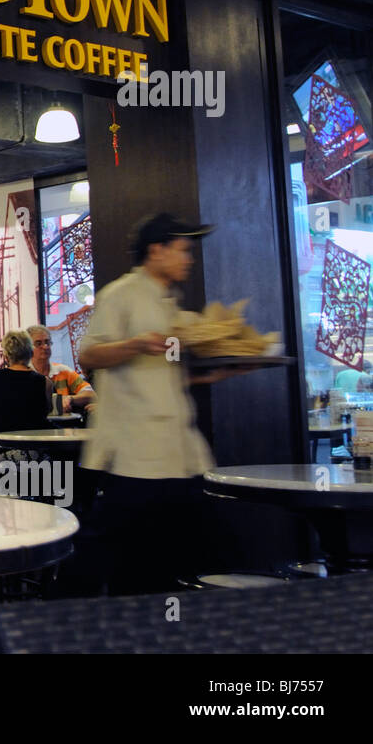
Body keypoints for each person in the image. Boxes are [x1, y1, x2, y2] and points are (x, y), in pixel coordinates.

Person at [70, 213, 245, 595]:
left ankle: (159, 628)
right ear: (156, 250)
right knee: (125, 557)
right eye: (183, 250)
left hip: (177, 453)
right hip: (137, 454)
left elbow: (165, 370)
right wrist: (135, 344)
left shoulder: (170, 304)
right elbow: (90, 355)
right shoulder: (121, 294)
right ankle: (62, 624)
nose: (190, 259)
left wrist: (207, 375)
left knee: (167, 555)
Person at [0, 330, 51, 430]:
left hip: (3, 442)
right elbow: (46, 411)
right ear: (30, 353)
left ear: (6, 356)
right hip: (35, 443)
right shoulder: (45, 382)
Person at [26, 324, 96, 412]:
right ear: (28, 347)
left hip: (63, 424)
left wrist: (70, 399)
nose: (45, 347)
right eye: (38, 343)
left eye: (47, 342)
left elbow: (91, 394)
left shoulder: (64, 371)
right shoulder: (24, 374)